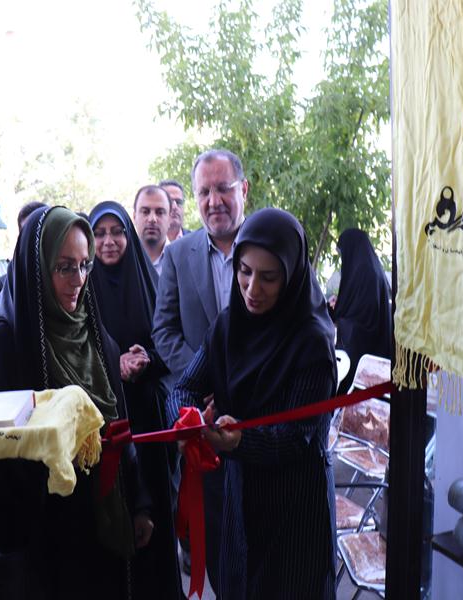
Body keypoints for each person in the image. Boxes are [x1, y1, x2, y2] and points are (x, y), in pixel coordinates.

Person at [0, 205, 152, 599]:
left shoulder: (97, 338)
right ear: (37, 268)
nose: (79, 280)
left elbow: (119, 428)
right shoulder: (4, 346)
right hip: (40, 539)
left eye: (85, 265)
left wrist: (138, 503)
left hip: (100, 526)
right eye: (65, 267)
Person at [167, 208, 338, 599]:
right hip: (240, 499)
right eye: (244, 272)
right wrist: (187, 420)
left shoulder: (311, 342)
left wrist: (240, 441)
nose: (252, 289)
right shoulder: (229, 325)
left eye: (268, 277)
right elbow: (185, 386)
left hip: (295, 506)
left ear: (292, 276)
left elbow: (297, 438)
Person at [152, 148, 249, 591]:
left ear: (243, 190)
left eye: (223, 189)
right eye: (204, 192)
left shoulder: (268, 242)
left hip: (261, 422)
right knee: (219, 545)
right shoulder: (178, 255)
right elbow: (164, 330)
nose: (214, 201)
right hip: (205, 424)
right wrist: (200, 374)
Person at [89, 201, 182, 599]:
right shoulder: (82, 290)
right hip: (104, 422)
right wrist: (114, 362)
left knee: (155, 514)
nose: (108, 241)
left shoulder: (151, 284)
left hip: (147, 420)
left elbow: (169, 342)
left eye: (116, 232)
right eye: (99, 233)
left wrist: (146, 358)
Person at [332, 228, 393, 392]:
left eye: (343, 253)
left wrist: (338, 319)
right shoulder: (369, 268)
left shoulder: (364, 271)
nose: (343, 259)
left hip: (362, 361)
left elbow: (364, 325)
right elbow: (359, 308)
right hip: (371, 357)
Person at [132, 185, 172, 275]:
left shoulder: (182, 260)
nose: (152, 219)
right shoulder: (124, 259)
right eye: (145, 212)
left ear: (169, 218)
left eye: (160, 212)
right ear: (134, 217)